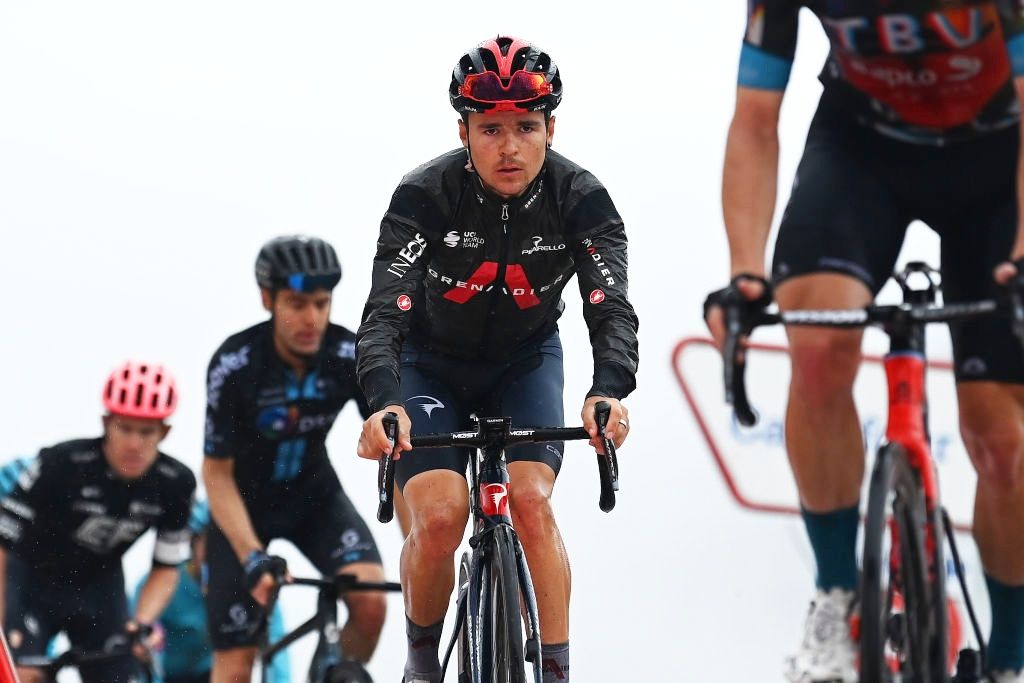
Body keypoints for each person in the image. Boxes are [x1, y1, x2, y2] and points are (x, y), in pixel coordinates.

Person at [705, 3, 1024, 681]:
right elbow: (756, 121)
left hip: (1001, 157)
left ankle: (1011, 660)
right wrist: (744, 275)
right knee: (817, 350)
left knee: (1004, 440)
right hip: (863, 148)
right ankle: (836, 599)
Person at [354, 36, 639, 683]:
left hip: (525, 360)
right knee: (439, 516)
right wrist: (383, 400)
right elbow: (385, 310)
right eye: (490, 129)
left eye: (526, 127)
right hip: (432, 364)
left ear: (551, 127)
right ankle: (423, 660)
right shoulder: (424, 194)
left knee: (532, 500)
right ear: (463, 131)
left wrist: (609, 390)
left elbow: (610, 308)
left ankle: (557, 670)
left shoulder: (581, 198)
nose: (509, 146)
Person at [203, 235, 389, 682]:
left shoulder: (346, 354)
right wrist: (250, 556)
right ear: (268, 299)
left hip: (313, 498)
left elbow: (391, 444)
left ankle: (331, 674)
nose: (313, 319)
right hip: (243, 510)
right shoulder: (235, 364)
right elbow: (215, 472)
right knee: (235, 661)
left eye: (322, 304)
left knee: (371, 601)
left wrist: (417, 536)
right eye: (298, 303)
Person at [0, 361, 196, 683]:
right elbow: (2, 546)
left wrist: (143, 621)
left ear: (165, 432)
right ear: (106, 423)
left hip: (99, 588)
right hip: (31, 581)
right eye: (125, 428)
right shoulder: (61, 463)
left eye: (146, 432)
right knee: (24, 675)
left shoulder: (176, 484)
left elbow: (166, 567)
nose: (134, 444)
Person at [130, 499, 292, 683]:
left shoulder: (255, 589)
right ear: (194, 542)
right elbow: (140, 652)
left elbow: (277, 648)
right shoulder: (159, 586)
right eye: (216, 544)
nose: (224, 557)